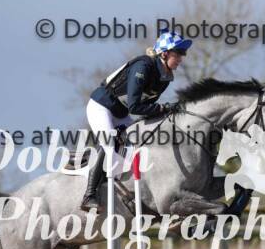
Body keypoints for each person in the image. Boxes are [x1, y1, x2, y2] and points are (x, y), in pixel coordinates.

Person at [81, 30, 192, 210]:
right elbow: (135, 107)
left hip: (120, 113)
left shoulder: (165, 78)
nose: (181, 58)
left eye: (183, 53)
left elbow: (146, 107)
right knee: (110, 143)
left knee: (139, 144)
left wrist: (167, 113)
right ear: (164, 53)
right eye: (178, 53)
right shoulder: (143, 67)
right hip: (101, 106)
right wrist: (163, 108)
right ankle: (89, 195)